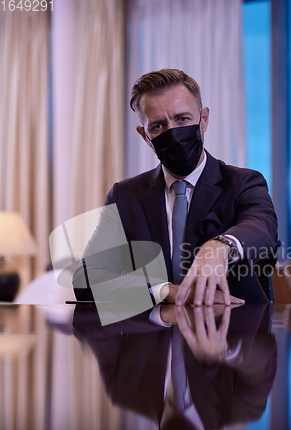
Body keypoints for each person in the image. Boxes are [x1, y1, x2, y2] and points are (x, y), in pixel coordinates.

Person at [74, 69, 277, 306]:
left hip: (233, 330)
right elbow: (87, 279)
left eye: (182, 119)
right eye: (158, 126)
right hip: (153, 335)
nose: (173, 133)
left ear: (204, 119)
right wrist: (165, 291)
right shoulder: (125, 196)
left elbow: (263, 227)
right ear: (145, 136)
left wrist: (223, 245)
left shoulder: (243, 182)